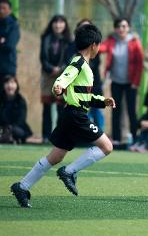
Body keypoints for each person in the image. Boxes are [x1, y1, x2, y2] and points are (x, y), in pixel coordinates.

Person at [10, 24, 116, 208]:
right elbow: (63, 79)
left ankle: (22, 186)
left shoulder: (85, 65)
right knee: (107, 147)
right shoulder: (78, 63)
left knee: (56, 156)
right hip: (76, 115)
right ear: (93, 45)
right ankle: (69, 172)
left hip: (71, 114)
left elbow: (83, 95)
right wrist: (58, 87)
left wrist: (102, 101)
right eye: (99, 45)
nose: (99, 48)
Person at [99, 17, 144, 144]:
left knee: (131, 111)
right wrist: (92, 44)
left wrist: (136, 82)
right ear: (115, 29)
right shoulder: (111, 41)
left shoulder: (134, 42)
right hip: (116, 82)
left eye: (124, 26)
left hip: (131, 83)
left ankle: (135, 138)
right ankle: (117, 139)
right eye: (118, 26)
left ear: (128, 28)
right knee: (115, 109)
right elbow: (102, 48)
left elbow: (140, 63)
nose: (121, 29)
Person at [65, 18, 104, 130]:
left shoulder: (94, 46)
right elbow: (69, 64)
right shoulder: (73, 47)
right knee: (81, 113)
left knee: (97, 112)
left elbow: (96, 62)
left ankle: (99, 133)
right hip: (77, 87)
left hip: (93, 84)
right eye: (83, 28)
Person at [40, 14, 72, 143]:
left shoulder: (69, 40)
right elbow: (42, 58)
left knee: (61, 106)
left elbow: (70, 58)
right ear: (51, 24)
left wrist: (60, 69)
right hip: (47, 75)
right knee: (47, 106)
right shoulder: (46, 38)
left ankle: (59, 135)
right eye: (55, 22)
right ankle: (46, 136)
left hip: (63, 76)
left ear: (65, 25)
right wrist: (51, 69)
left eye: (61, 22)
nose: (58, 25)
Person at [0, 75, 32, 143]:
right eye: (7, 83)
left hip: (16, 128)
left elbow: (21, 119)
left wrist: (10, 128)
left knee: (18, 132)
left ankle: (10, 137)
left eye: (12, 83)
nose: (9, 86)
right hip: (2, 128)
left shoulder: (20, 100)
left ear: (16, 85)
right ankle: (9, 138)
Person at [0, 0, 20, 80]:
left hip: (8, 66)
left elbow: (10, 45)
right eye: (0, 8)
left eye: (4, 8)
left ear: (9, 10)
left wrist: (4, 42)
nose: (1, 11)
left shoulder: (13, 25)